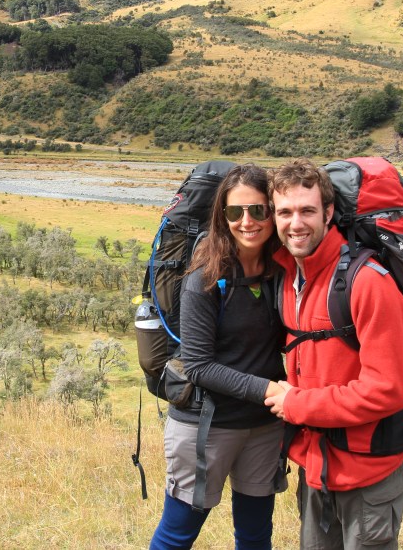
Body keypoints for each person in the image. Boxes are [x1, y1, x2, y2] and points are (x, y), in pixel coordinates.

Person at [263, 159, 403, 550]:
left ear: (328, 213)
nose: (296, 223)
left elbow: (388, 390)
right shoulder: (288, 277)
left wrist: (296, 405)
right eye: (285, 212)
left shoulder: (367, 282)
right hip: (315, 470)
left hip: (367, 479)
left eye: (307, 211)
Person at [150, 163, 289, 550]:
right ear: (222, 216)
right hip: (206, 426)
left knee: (256, 536)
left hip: (263, 426)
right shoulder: (204, 278)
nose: (247, 221)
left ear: (272, 212)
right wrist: (271, 390)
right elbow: (198, 366)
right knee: (177, 535)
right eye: (235, 212)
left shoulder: (281, 271)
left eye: (258, 210)